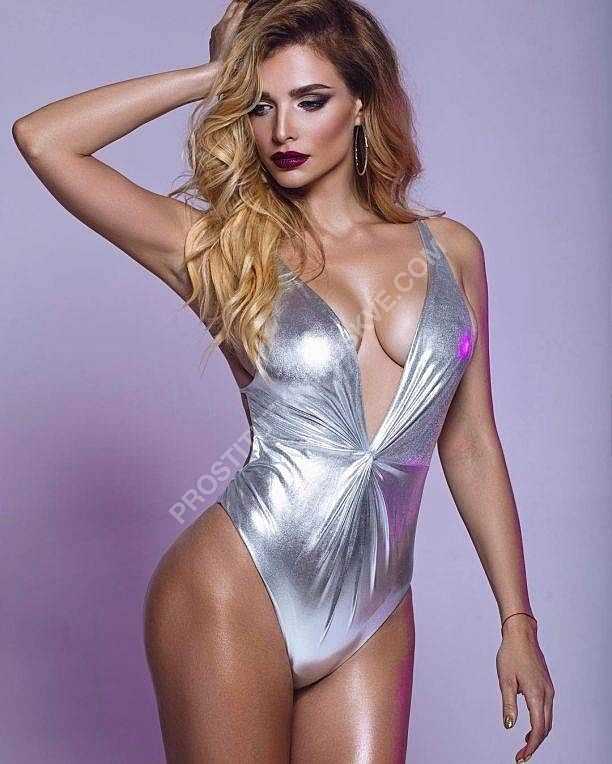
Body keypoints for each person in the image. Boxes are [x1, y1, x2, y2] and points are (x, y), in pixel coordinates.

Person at [12, 0, 555, 761]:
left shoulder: (450, 251)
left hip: (374, 609)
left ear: (362, 103)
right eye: (261, 106)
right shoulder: (219, 248)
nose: (282, 131)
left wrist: (516, 621)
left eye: (311, 100)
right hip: (235, 590)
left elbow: (470, 442)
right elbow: (43, 139)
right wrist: (214, 76)